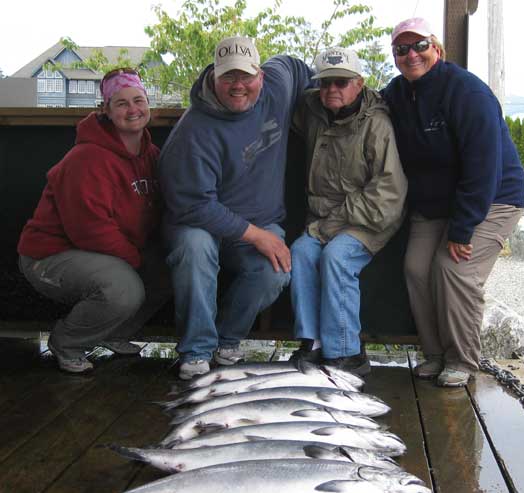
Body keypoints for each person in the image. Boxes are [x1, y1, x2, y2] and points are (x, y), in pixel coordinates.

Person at [382, 18, 524, 387]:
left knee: (453, 269)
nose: (411, 54)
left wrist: (462, 230)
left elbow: (483, 168)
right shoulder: (396, 94)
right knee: (416, 268)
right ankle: (434, 354)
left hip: (493, 199)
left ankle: (462, 359)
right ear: (395, 56)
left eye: (420, 46)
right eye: (402, 49)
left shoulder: (467, 93)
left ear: (438, 49)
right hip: (434, 207)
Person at [159, 36, 312, 380]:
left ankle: (227, 340)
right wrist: (256, 235)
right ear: (214, 77)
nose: (238, 85)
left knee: (276, 270)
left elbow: (298, 67)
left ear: (260, 75)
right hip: (199, 223)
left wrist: (324, 105)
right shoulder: (193, 132)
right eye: (229, 77)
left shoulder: (279, 82)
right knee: (195, 250)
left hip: (259, 221)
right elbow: (192, 205)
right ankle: (196, 350)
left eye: (246, 76)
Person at [18, 68, 171, 374]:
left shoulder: (150, 154)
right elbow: (90, 231)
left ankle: (115, 332)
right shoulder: (86, 158)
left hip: (110, 252)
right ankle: (67, 343)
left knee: (173, 266)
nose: (133, 110)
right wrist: (136, 261)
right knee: (123, 289)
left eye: (138, 100)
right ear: (105, 110)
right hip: (49, 256)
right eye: (121, 103)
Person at [289, 47, 408, 375]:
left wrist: (330, 225)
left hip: (370, 218)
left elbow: (387, 196)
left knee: (337, 257)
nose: (332, 90)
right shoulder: (311, 110)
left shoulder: (377, 125)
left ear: (359, 83)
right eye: (325, 83)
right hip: (322, 219)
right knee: (300, 252)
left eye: (341, 82)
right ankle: (311, 342)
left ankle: (347, 353)